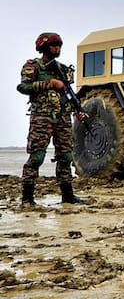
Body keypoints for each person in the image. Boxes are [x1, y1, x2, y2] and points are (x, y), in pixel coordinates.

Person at [17, 32, 85, 206]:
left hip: (62, 118)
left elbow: (68, 94)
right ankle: (27, 197)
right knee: (37, 156)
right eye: (54, 46)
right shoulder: (33, 66)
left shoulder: (61, 69)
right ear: (44, 48)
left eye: (59, 46)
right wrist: (50, 84)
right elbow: (23, 87)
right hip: (42, 117)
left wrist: (78, 110)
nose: (58, 49)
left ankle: (67, 195)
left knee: (66, 156)